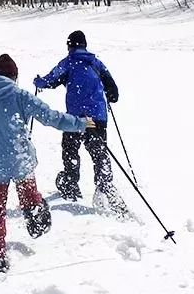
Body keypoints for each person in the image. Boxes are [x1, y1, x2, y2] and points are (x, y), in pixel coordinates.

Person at [0, 54, 94, 273]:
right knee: (30, 197)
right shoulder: (21, 96)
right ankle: (36, 217)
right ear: (14, 76)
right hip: (20, 160)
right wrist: (81, 123)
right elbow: (53, 118)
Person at [34, 30, 132, 219]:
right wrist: (108, 95)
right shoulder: (96, 62)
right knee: (98, 151)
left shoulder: (69, 62)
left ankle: (71, 184)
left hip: (77, 119)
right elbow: (113, 91)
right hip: (97, 117)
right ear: (84, 45)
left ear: (70, 45)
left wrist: (38, 81)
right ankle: (105, 185)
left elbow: (50, 79)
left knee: (70, 149)